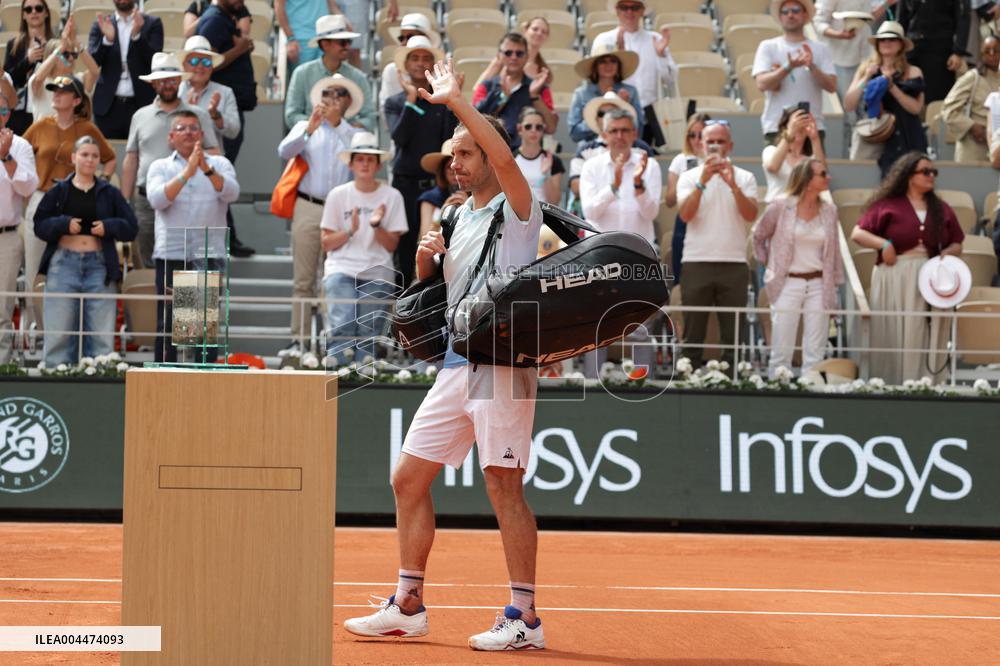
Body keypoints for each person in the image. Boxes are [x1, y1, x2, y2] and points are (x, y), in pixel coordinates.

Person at [343, 58, 546, 652]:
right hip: (459, 361)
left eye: (464, 154)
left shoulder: (517, 207)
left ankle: (525, 619)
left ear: (487, 155)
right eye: (451, 157)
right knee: (408, 477)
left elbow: (506, 159)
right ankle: (408, 604)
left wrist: (459, 102)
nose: (454, 164)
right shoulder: (456, 216)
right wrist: (427, 264)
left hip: (503, 364)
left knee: (503, 485)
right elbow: (436, 295)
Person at [851, 152, 964, 384]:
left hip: (928, 276)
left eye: (934, 172)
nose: (931, 176)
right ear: (909, 176)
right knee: (891, 327)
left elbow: (957, 242)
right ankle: (888, 381)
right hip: (894, 272)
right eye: (925, 172)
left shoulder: (940, 208)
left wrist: (948, 253)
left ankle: (922, 380)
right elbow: (858, 233)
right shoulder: (887, 205)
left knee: (920, 328)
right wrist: (884, 244)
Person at [277, 74, 362, 357]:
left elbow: (358, 165)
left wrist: (336, 125)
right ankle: (299, 340)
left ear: (348, 102)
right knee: (303, 279)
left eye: (339, 94)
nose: (332, 99)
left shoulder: (353, 133)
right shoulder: (306, 125)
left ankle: (332, 343)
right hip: (308, 205)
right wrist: (309, 130)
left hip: (339, 209)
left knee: (333, 278)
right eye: (327, 94)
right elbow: (284, 151)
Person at [33, 135, 138, 366]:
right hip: (63, 264)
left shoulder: (110, 192)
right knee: (59, 333)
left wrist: (109, 226)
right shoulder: (58, 190)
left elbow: (131, 228)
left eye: (94, 156)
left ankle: (100, 382)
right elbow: (39, 224)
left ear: (100, 160)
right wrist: (63, 224)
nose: (90, 160)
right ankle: (56, 376)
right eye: (84, 154)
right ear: (74, 158)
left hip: (99, 265)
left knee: (101, 336)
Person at [146, 110, 239, 363]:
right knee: (169, 326)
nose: (188, 132)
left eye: (193, 128)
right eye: (182, 128)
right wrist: (187, 172)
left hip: (206, 255)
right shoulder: (161, 166)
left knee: (201, 332)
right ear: (170, 137)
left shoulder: (219, 164)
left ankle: (205, 385)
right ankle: (165, 383)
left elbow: (231, 193)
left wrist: (205, 169)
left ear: (201, 134)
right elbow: (157, 199)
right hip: (172, 254)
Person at [22, 76, 115, 330]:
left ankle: (67, 332)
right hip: (43, 197)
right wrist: (27, 183)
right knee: (34, 268)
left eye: (63, 91)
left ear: (76, 100)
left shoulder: (87, 128)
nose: (56, 94)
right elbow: (19, 151)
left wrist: (101, 183)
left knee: (71, 267)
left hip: (77, 200)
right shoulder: (41, 125)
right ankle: (37, 330)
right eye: (54, 90)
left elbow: (109, 157)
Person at [579, 108, 661, 378]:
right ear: (603, 135)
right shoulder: (591, 166)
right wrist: (613, 185)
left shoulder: (649, 165)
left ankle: (643, 382)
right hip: (599, 259)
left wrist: (637, 184)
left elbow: (651, 213)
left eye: (625, 130)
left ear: (635, 133)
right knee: (597, 325)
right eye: (613, 131)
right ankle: (592, 384)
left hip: (638, 258)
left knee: (639, 324)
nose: (620, 136)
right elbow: (590, 212)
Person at [120, 53, 221, 269]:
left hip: (189, 199)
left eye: (173, 80)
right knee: (149, 265)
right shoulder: (140, 116)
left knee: (193, 264)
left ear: (180, 81)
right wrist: (122, 201)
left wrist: (213, 185)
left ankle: (193, 303)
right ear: (154, 83)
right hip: (147, 200)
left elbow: (215, 155)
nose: (168, 85)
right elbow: (131, 158)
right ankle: (160, 304)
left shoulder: (198, 115)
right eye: (163, 80)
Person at [676, 121, 759, 368]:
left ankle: (733, 385)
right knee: (692, 334)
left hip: (733, 263)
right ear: (700, 144)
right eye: (709, 141)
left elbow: (750, 214)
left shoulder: (745, 177)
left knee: (733, 336)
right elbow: (685, 215)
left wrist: (733, 185)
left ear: (730, 146)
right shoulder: (689, 177)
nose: (714, 146)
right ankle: (687, 382)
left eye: (720, 141)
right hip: (695, 262)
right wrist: (702, 181)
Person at [320, 132, 406, 364]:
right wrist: (350, 230)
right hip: (341, 269)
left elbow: (392, 245)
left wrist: (376, 226)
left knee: (368, 329)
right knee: (342, 324)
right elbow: (326, 242)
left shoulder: (392, 195)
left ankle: (363, 375)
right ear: (351, 164)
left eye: (370, 159)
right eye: (360, 159)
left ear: (378, 164)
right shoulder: (338, 195)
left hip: (377, 270)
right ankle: (338, 371)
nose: (365, 164)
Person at [753, 158, 844, 378]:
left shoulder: (830, 210)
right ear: (807, 179)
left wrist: (835, 283)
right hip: (787, 281)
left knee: (816, 348)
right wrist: (770, 265)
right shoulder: (781, 205)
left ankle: (811, 388)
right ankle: (777, 386)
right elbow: (758, 236)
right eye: (822, 174)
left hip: (819, 282)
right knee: (781, 344)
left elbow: (835, 250)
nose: (828, 177)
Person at [383, 35, 454, 289]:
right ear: (406, 63)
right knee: (405, 248)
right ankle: (403, 307)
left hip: (436, 187)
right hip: (406, 186)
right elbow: (399, 137)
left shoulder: (442, 102)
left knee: (437, 244)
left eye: (426, 58)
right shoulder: (394, 103)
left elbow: (449, 142)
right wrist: (412, 100)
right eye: (415, 57)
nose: (420, 63)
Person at [842, 21, 927, 176]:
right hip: (876, 134)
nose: (886, 43)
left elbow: (916, 108)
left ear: (901, 44)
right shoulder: (866, 68)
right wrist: (866, 77)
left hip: (906, 134)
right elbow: (849, 104)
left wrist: (891, 86)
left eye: (892, 39)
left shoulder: (913, 71)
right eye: (882, 39)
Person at [591, 0, 676, 147]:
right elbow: (594, 76)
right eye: (624, 7)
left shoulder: (655, 39)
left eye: (635, 7)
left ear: (642, 11)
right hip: (612, 114)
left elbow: (669, 80)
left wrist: (661, 55)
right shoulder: (603, 39)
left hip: (648, 116)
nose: (629, 12)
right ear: (617, 10)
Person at [753, 0, 837, 145]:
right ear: (780, 17)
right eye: (785, 12)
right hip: (777, 126)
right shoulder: (768, 46)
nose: (790, 15)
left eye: (796, 10)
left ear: (805, 15)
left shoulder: (820, 48)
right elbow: (761, 84)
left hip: (811, 126)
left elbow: (832, 86)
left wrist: (812, 66)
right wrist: (788, 67)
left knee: (815, 168)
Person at [566, 91, 655, 218]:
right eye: (602, 113)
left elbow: (652, 191)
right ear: (597, 119)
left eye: (613, 111)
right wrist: (612, 186)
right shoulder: (584, 150)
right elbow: (575, 187)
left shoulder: (643, 149)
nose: (607, 116)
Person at [0, 79, 39, 364]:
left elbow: (28, 188)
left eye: (3, 111)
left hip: (6, 235)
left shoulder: (21, 145)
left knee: (2, 307)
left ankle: (1, 366)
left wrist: (6, 158)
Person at [87, 0, 164, 140]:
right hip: (108, 106)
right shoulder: (101, 24)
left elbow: (155, 61)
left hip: (141, 103)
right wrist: (107, 41)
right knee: (105, 155)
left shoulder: (152, 23)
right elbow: (92, 62)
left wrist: (137, 37)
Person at [284, 14, 375, 132]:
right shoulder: (302, 74)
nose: (347, 46)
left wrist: (343, 129)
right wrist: (317, 124)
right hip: (312, 142)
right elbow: (291, 115)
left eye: (349, 41)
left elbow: (370, 118)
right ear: (325, 44)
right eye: (342, 42)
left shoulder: (358, 77)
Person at [196, 0, 257, 165]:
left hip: (227, 103)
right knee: (218, 168)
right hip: (218, 104)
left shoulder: (225, 17)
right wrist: (240, 49)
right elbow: (206, 63)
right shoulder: (214, 20)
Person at [472, 33, 557, 142]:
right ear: (499, 56)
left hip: (527, 155)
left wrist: (535, 96)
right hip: (491, 152)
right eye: (508, 53)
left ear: (526, 57)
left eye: (519, 53)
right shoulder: (485, 86)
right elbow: (474, 123)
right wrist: (502, 97)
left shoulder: (540, 88)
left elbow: (551, 127)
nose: (514, 57)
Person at [814, 0, 894, 105]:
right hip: (839, 60)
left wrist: (887, 3)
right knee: (847, 106)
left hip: (866, 56)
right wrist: (839, 35)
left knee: (865, 102)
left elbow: (869, 18)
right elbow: (819, 22)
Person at [895, 0, 971, 103]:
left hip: (940, 48)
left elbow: (963, 18)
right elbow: (901, 18)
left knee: (937, 98)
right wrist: (897, 49)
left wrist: (958, 52)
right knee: (909, 95)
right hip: (912, 47)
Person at [567, 43, 643, 147]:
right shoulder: (581, 93)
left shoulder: (631, 92)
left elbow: (638, 131)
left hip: (622, 148)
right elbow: (574, 133)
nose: (609, 65)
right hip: (590, 149)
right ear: (595, 66)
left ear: (618, 65)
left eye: (613, 61)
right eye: (603, 62)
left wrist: (625, 107)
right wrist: (598, 120)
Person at [665, 112, 710, 284]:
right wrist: (685, 179)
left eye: (701, 134)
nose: (697, 139)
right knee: (681, 272)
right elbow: (669, 201)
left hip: (709, 218)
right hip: (684, 219)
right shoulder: (680, 160)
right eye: (692, 135)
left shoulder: (716, 159)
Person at [942, 36, 1000, 164]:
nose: (992, 55)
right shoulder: (973, 77)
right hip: (975, 147)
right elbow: (948, 109)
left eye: (996, 50)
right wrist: (971, 126)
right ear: (981, 54)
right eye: (987, 51)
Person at [28, 19, 100, 121]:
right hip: (46, 135)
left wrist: (77, 44)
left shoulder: (78, 80)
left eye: (74, 54)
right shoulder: (41, 81)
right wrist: (60, 48)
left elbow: (95, 72)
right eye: (65, 54)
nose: (71, 58)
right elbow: (38, 78)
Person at [178, 36, 241, 148]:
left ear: (212, 66)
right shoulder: (175, 91)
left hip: (211, 160)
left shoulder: (225, 92)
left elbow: (234, 131)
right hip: (177, 160)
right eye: (194, 61)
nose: (200, 66)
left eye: (206, 62)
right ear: (184, 65)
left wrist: (215, 115)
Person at [3, 0, 56, 134]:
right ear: (23, 15)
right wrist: (28, 61)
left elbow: (64, 72)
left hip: (47, 109)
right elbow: (8, 79)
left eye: (38, 8)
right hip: (19, 112)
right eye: (28, 9)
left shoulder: (56, 44)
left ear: (46, 13)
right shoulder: (14, 45)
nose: (33, 12)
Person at [378, 13, 441, 110]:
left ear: (426, 38)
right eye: (401, 38)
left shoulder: (441, 72)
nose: (403, 42)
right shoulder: (391, 70)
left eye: (410, 37)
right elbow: (387, 110)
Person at [762, 106, 825, 203]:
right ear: (785, 127)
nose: (799, 127)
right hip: (776, 209)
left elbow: (822, 174)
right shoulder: (770, 151)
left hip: (802, 211)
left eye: (803, 122)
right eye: (795, 123)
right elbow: (773, 167)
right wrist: (790, 132)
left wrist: (815, 138)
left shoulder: (810, 159)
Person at [416, 139, 468, 240]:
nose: (455, 171)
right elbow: (424, 239)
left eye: (460, 165)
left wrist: (469, 208)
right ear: (442, 170)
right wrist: (442, 215)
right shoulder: (430, 198)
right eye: (450, 167)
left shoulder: (477, 195)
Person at [515, 106, 564, 205]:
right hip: (516, 218)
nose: (533, 130)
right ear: (519, 129)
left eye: (538, 127)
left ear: (543, 130)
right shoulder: (510, 159)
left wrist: (545, 175)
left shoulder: (553, 160)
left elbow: (554, 201)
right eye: (528, 126)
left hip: (545, 218)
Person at [274, 0, 334, 74]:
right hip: (301, 40)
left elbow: (332, 6)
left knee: (327, 81)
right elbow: (278, 6)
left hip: (326, 37)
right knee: (304, 80)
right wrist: (290, 38)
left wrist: (344, 21)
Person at [185, 0, 250, 39]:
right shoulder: (198, 5)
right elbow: (188, 33)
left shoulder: (237, 6)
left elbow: (244, 34)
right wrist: (211, 12)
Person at [521, 16, 551, 84]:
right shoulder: (509, 56)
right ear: (525, 31)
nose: (539, 33)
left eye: (543, 32)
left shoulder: (544, 70)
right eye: (535, 29)